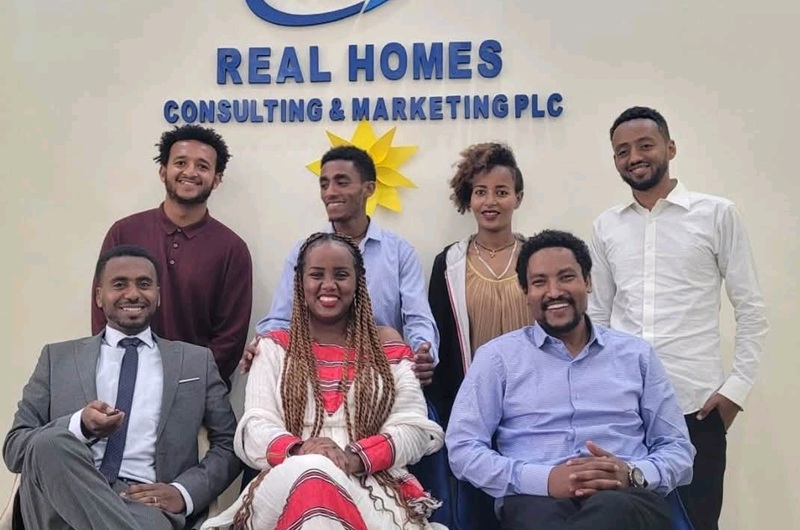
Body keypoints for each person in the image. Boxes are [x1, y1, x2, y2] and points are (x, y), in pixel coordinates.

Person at [587, 106, 768, 530]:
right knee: (625, 520)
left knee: (696, 522)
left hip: (697, 406)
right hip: (625, 408)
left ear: (670, 148)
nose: (634, 157)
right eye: (622, 151)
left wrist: (736, 389)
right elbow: (598, 315)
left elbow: (751, 308)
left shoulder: (717, 214)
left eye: (645, 145)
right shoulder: (605, 226)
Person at [446, 230, 695, 530]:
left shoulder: (637, 355)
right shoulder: (497, 358)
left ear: (587, 281)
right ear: (525, 292)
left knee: (613, 509)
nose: (554, 292)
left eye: (566, 277)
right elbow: (462, 448)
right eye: (539, 282)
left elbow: (678, 449)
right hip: (536, 500)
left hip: (626, 498)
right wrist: (544, 479)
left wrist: (630, 473)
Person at [201, 232, 445, 530]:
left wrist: (354, 458)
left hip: (371, 485)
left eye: (341, 275)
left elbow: (413, 429)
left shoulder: (390, 351)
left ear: (358, 282)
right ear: (300, 283)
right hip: (287, 480)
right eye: (317, 275)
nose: (328, 285)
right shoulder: (273, 348)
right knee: (313, 473)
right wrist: (302, 451)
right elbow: (255, 428)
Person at [4, 245, 241, 530]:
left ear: (158, 296)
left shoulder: (195, 362)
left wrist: (183, 492)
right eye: (119, 284)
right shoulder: (57, 359)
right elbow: (16, 448)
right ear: (99, 296)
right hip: (58, 501)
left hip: (141, 504)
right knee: (49, 442)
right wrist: (80, 426)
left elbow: (230, 444)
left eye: (144, 284)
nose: (132, 294)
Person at [250, 145, 439, 384]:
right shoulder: (303, 253)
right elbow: (280, 319)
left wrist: (422, 353)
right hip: (315, 381)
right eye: (324, 184)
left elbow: (417, 318)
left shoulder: (400, 253)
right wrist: (264, 349)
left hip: (382, 378)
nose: (330, 192)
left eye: (341, 182)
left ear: (369, 189)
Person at [92, 125, 253, 385]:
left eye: (202, 166)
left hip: (196, 393)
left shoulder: (232, 249)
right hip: (122, 384)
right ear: (163, 171)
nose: (190, 172)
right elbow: (103, 311)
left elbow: (230, 338)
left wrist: (186, 385)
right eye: (180, 162)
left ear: (216, 179)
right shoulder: (124, 232)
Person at [427, 143, 527, 530]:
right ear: (469, 198)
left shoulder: (538, 256)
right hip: (472, 404)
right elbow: (440, 339)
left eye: (501, 191)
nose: (490, 201)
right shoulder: (449, 263)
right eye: (481, 192)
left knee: (529, 503)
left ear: (518, 197)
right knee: (476, 510)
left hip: (532, 405)